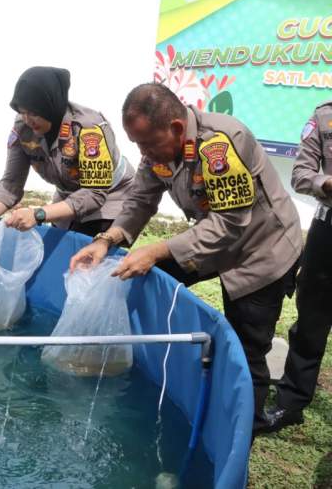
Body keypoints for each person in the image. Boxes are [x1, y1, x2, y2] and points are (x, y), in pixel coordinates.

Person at [69, 83, 302, 435]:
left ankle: (243, 431)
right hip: (213, 241)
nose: (144, 153)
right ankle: (162, 369)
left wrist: (156, 250)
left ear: (176, 128)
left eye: (148, 144)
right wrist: (106, 240)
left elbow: (230, 223)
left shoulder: (221, 142)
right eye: (137, 145)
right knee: (139, 276)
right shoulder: (157, 148)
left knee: (246, 347)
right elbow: (140, 200)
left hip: (261, 250)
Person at [0, 66, 134, 258]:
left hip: (111, 198)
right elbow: (10, 185)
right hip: (68, 196)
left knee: (87, 258)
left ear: (51, 105)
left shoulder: (89, 129)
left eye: (34, 113)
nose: (28, 119)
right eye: (22, 112)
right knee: (58, 255)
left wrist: (38, 214)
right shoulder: (23, 128)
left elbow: (94, 193)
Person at [266, 100, 332, 433]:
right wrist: (328, 184)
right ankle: (290, 404)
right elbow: (301, 175)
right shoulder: (324, 116)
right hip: (328, 231)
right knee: (311, 321)